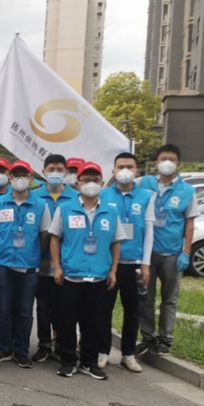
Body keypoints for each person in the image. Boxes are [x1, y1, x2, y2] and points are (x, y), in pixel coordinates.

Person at [49, 162, 124, 380]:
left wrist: (113, 271)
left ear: (102, 183)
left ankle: (89, 363)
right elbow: (55, 239)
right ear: (78, 183)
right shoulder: (65, 209)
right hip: (71, 275)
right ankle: (68, 362)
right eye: (86, 180)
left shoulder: (111, 211)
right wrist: (57, 267)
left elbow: (116, 243)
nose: (91, 184)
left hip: (99, 277)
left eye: (95, 180)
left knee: (93, 323)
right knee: (67, 322)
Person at [0, 161, 50, 368]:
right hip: (3, 264)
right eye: (16, 175)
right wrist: (1, 250)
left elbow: (45, 235)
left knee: (25, 310)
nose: (20, 178)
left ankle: (21, 351)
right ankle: (3, 348)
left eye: (24, 174)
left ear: (30, 178)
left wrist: (32, 252)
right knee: (3, 309)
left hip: (29, 266)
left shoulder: (41, 205)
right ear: (10, 178)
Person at [137, 144, 198, 356]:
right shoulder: (143, 183)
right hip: (147, 253)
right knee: (146, 297)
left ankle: (165, 339)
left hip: (172, 253)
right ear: (156, 163)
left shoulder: (187, 191)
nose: (167, 163)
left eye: (172, 159)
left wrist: (186, 252)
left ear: (178, 164)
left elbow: (189, 223)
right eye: (163, 159)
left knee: (169, 298)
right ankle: (148, 337)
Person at [100, 152, 154, 372]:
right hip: (108, 263)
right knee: (104, 308)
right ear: (113, 171)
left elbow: (149, 231)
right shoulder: (103, 195)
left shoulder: (147, 197)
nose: (125, 170)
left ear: (137, 171)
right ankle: (102, 350)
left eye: (129, 167)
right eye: (120, 166)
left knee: (133, 310)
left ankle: (128, 353)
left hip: (134, 262)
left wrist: (146, 263)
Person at [32, 153, 77, 361]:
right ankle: (44, 344)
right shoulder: (35, 196)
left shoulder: (76, 197)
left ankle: (61, 342)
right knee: (43, 306)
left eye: (60, 169)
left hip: (66, 263)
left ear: (66, 172)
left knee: (64, 306)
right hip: (41, 262)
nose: (55, 173)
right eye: (51, 169)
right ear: (44, 172)